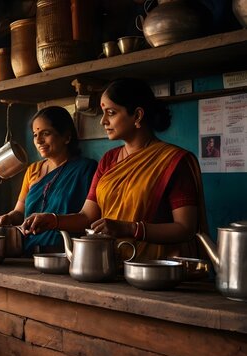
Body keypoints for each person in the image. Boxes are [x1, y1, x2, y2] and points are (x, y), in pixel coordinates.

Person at [25, 78, 207, 260]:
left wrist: (129, 228)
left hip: (156, 270)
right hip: (112, 264)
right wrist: (53, 220)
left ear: (137, 116)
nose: (103, 121)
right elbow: (87, 216)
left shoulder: (173, 161)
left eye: (111, 113)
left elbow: (185, 228)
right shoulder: (109, 160)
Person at [0, 106, 97, 256]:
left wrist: (53, 220)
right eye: (35, 135)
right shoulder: (32, 170)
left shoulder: (85, 169)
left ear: (66, 137)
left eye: (46, 134)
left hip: (64, 255)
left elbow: (88, 218)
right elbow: (19, 212)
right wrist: (8, 217)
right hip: (28, 254)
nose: (39, 140)